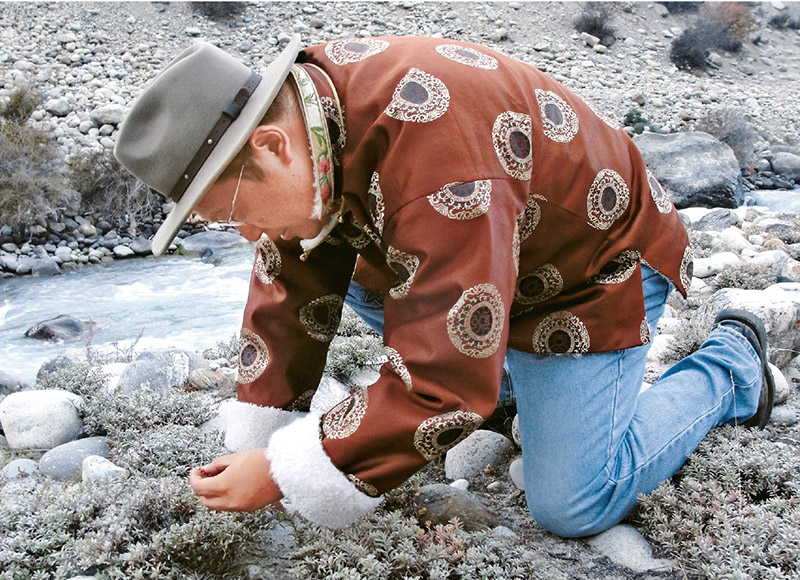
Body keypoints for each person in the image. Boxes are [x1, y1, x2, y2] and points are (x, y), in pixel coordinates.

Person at [114, 34, 774, 538]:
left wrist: (288, 469)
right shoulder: (313, 119)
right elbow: (290, 281)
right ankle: (505, 383)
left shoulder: (442, 166)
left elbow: (444, 375)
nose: (245, 235)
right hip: (493, 261)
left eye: (232, 213)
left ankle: (732, 367)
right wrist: (260, 438)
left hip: (592, 272)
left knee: (573, 503)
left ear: (270, 147)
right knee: (334, 257)